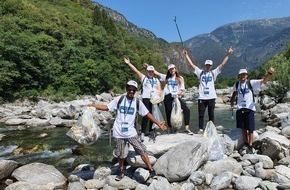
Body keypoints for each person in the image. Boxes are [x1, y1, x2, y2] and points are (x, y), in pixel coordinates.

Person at [87, 80, 167, 181]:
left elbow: (147, 114)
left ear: (135, 91)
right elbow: (107, 107)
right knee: (121, 154)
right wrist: (94, 106)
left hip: (131, 132)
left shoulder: (138, 102)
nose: (131, 91)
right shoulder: (119, 99)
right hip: (119, 132)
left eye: (133, 90)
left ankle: (151, 171)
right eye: (129, 89)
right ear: (126, 89)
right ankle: (121, 171)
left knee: (142, 150)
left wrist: (158, 122)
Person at [183, 47, 233, 133]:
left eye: (209, 65)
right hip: (202, 97)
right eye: (207, 65)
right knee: (201, 115)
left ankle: (211, 129)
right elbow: (192, 65)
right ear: (205, 65)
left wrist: (228, 54)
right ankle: (201, 129)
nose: (208, 66)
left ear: (211, 66)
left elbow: (222, 64)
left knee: (211, 114)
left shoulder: (214, 72)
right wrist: (186, 55)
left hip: (211, 97)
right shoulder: (200, 72)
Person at [230, 67, 275, 154]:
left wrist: (269, 73)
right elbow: (235, 93)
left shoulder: (251, 83)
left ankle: (250, 145)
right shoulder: (236, 84)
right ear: (239, 76)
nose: (243, 76)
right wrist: (231, 100)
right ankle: (246, 143)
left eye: (244, 74)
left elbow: (264, 81)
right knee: (243, 128)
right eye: (241, 75)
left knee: (250, 128)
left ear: (246, 75)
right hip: (240, 108)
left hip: (249, 109)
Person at [124, 57, 161, 142]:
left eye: (152, 71)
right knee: (146, 116)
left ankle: (152, 131)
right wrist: (129, 63)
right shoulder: (143, 78)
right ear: (147, 71)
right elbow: (136, 70)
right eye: (149, 71)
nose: (150, 72)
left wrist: (157, 95)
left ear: (153, 72)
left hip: (154, 99)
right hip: (146, 98)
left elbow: (159, 89)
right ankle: (143, 132)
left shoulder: (156, 80)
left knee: (153, 115)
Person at [153, 64, 193, 135]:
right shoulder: (166, 77)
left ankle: (186, 128)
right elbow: (157, 73)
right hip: (168, 96)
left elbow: (181, 89)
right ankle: (170, 128)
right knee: (168, 112)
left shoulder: (180, 78)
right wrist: (148, 67)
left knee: (186, 110)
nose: (172, 70)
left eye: (173, 69)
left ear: (175, 69)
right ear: (169, 70)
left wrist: (177, 94)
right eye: (170, 69)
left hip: (176, 97)